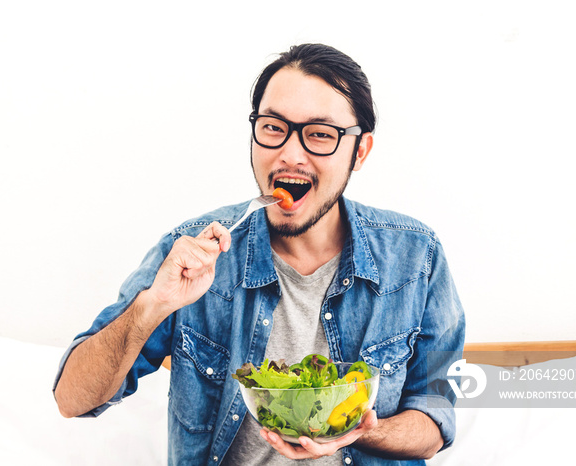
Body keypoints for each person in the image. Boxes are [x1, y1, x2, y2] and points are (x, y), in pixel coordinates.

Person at [53, 43, 465, 465]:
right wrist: (152, 305)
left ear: (359, 151)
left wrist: (354, 432)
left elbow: (435, 418)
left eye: (320, 135)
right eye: (272, 127)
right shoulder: (191, 253)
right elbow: (72, 398)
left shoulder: (417, 258)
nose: (289, 153)